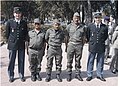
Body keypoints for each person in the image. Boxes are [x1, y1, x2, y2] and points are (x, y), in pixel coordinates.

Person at [5, 7, 28, 82]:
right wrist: (10, 41)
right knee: (12, 60)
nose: (17, 15)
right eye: (16, 13)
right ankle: (11, 75)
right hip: (12, 44)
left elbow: (25, 33)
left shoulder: (24, 22)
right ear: (14, 14)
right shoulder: (9, 22)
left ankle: (21, 75)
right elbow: (7, 33)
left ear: (21, 14)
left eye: (19, 13)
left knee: (21, 60)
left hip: (21, 44)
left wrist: (26, 41)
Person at [86, 12, 108, 81]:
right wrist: (91, 42)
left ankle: (99, 74)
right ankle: (89, 74)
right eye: (96, 18)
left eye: (99, 18)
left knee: (100, 61)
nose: (97, 19)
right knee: (90, 60)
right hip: (93, 46)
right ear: (94, 19)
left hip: (101, 46)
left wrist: (101, 42)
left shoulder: (104, 27)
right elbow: (88, 35)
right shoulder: (90, 26)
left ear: (101, 18)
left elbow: (105, 36)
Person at [65, 12, 86, 82]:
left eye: (78, 18)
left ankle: (77, 74)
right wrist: (66, 46)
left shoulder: (82, 27)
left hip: (79, 45)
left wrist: (81, 45)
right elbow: (66, 37)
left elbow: (84, 37)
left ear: (79, 18)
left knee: (78, 61)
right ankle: (69, 74)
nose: (76, 19)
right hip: (71, 44)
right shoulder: (69, 26)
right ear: (73, 18)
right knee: (69, 60)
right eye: (75, 17)